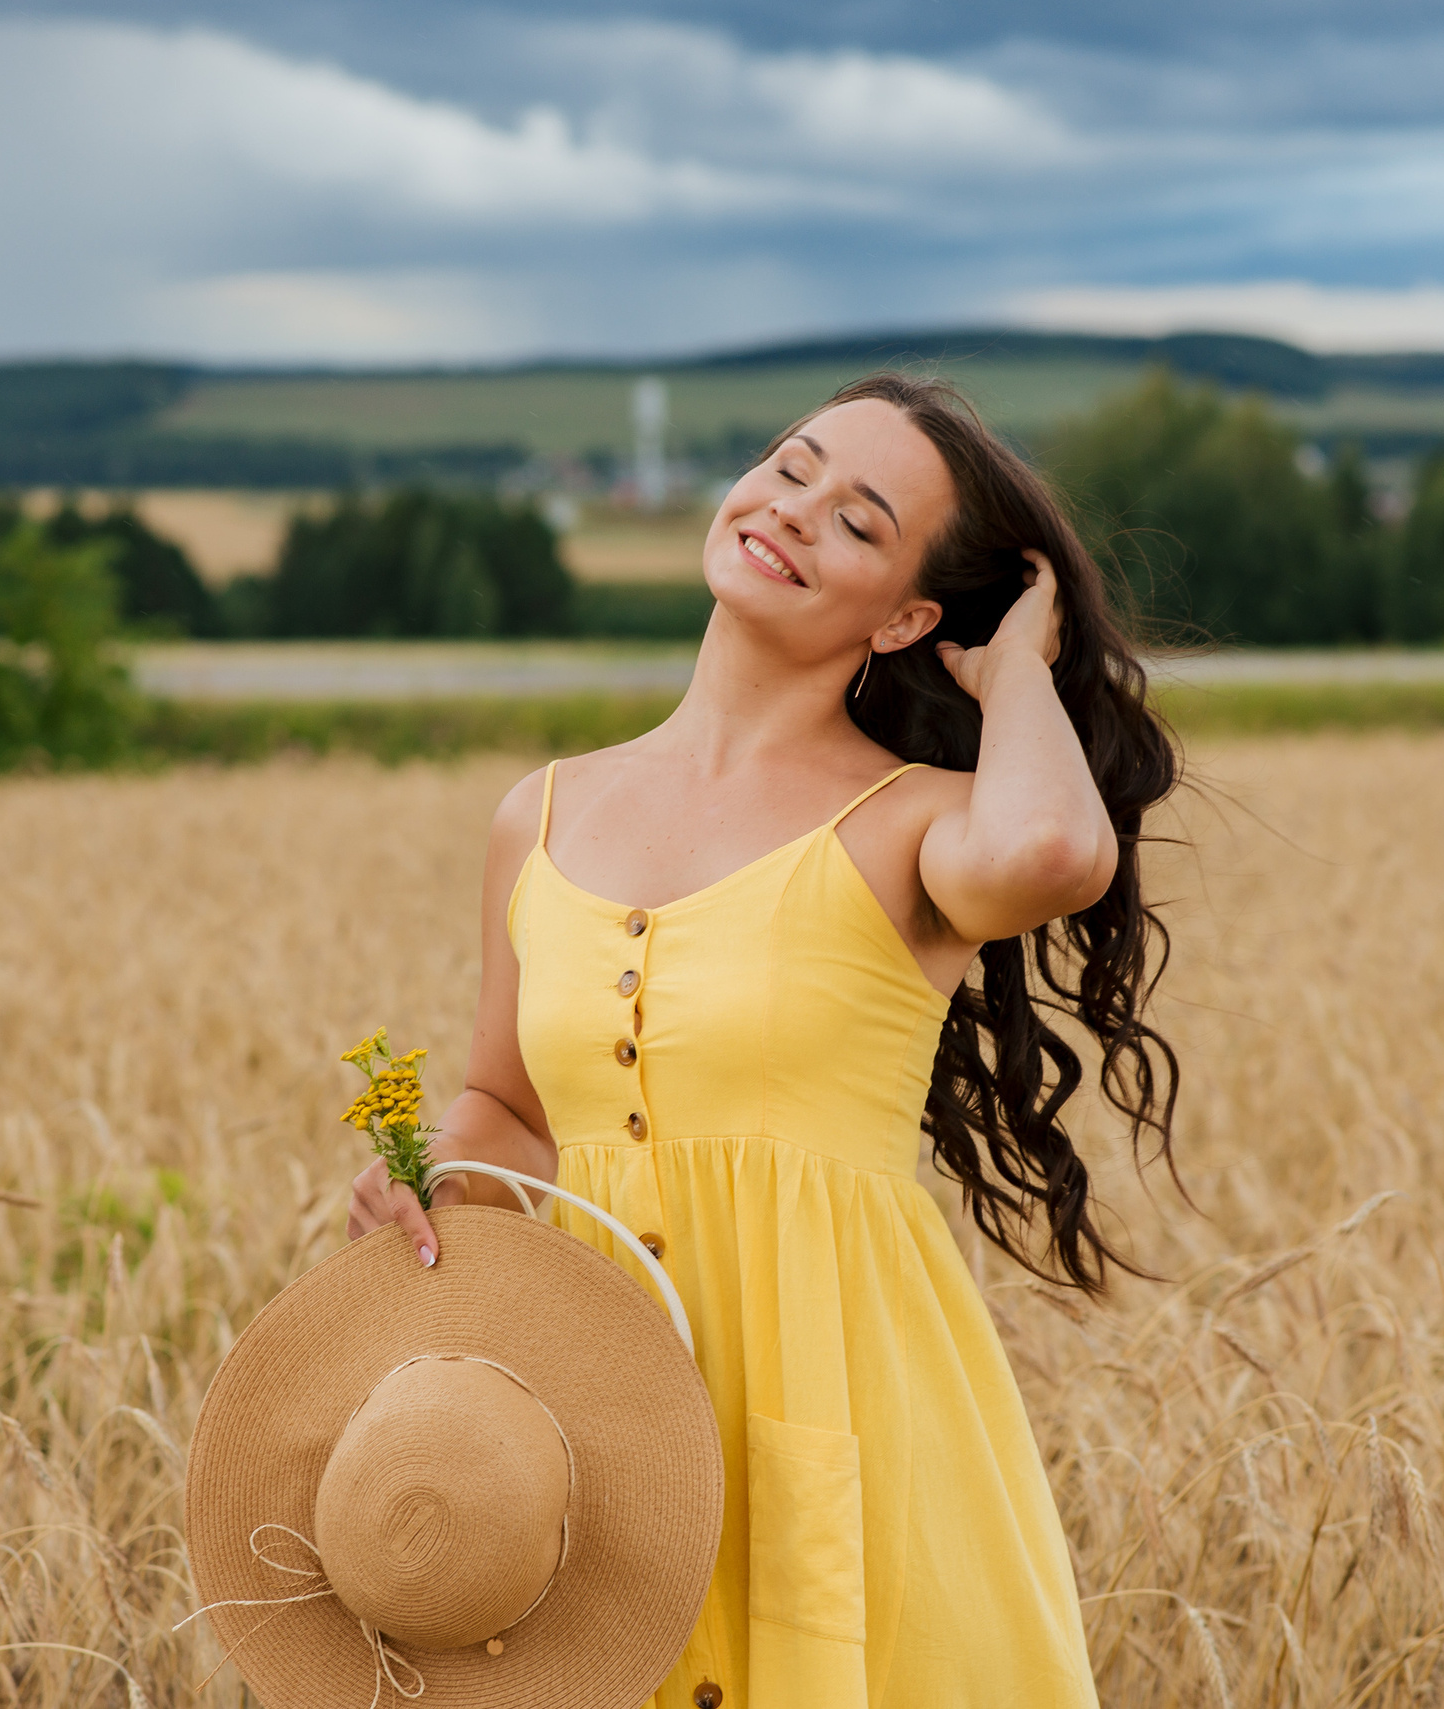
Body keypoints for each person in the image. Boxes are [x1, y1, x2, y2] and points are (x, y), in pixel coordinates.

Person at [347, 372, 1181, 1708]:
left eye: (858, 522)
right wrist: (428, 1179)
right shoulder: (542, 812)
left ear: (910, 614)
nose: (793, 514)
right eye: (791, 468)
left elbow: (1055, 848)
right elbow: (505, 1102)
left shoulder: (916, 824)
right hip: (588, 1422)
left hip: (839, 1409)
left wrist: (1013, 665)